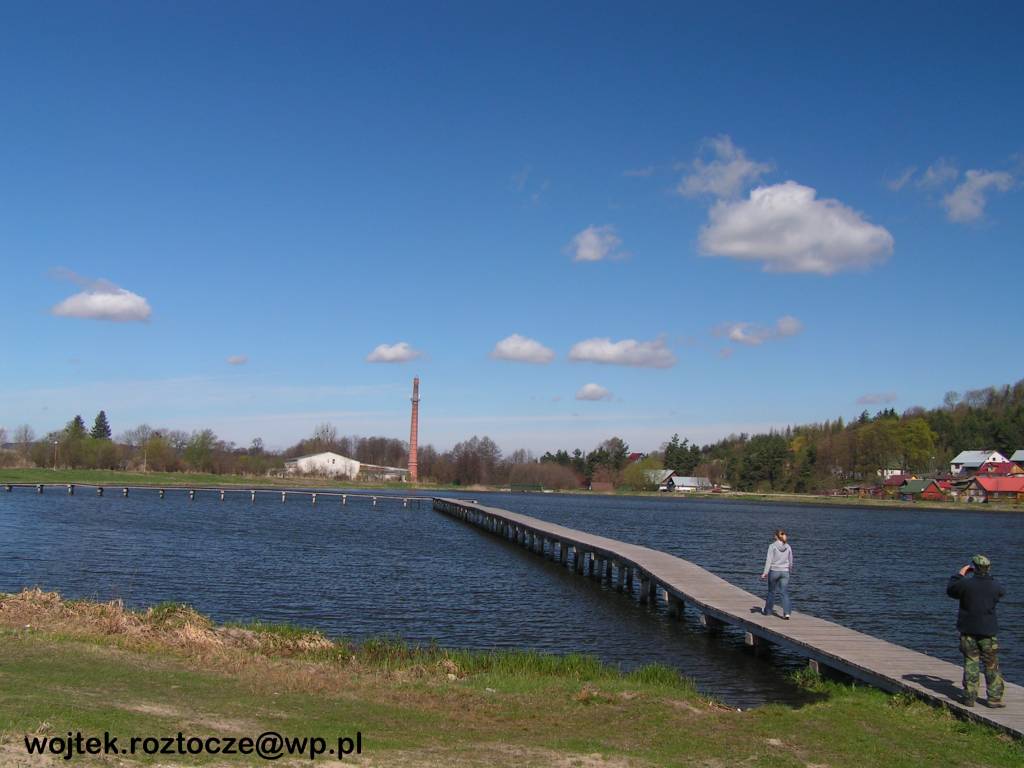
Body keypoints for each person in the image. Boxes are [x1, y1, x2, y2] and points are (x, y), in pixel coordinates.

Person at [946, 554, 1006, 708]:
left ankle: (970, 697)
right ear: (988, 568)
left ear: (974, 568)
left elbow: (951, 590)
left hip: (968, 630)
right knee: (991, 664)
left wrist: (960, 574)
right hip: (988, 631)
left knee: (971, 663)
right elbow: (1001, 593)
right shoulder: (995, 585)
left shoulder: (965, 584)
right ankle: (994, 698)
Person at [760, 529, 793, 619]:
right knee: (784, 592)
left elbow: (769, 560)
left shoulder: (772, 546)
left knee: (771, 592)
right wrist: (790, 569)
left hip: (774, 571)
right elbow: (791, 560)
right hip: (785, 572)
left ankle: (768, 611)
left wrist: (765, 573)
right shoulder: (788, 546)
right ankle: (787, 613)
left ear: (776, 536)